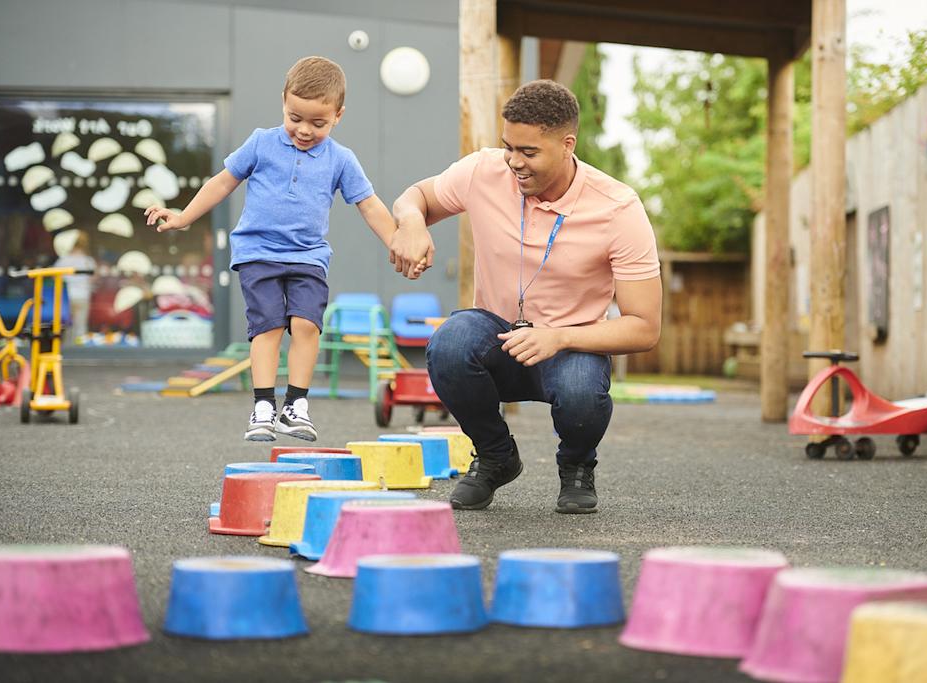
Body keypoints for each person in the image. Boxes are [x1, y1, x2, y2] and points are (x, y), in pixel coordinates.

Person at [390, 80, 661, 514]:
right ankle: (495, 455)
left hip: (571, 346)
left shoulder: (618, 208)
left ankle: (576, 465)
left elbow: (644, 327)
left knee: (581, 391)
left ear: (567, 145)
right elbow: (416, 197)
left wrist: (559, 336)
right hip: (497, 337)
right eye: (508, 148)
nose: (515, 162)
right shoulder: (483, 171)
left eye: (529, 152)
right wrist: (411, 223)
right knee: (450, 343)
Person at [146, 56, 398, 443]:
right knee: (269, 326)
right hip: (258, 252)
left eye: (318, 123)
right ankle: (263, 405)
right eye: (295, 118)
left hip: (308, 256)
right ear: (283, 101)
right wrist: (184, 217)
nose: (304, 130)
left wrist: (397, 241)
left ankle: (295, 407)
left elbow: (369, 204)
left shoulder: (341, 159)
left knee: (307, 325)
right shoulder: (262, 143)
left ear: (338, 115)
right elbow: (222, 182)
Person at [53, 230, 96, 343]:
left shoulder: (63, 260)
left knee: (66, 324)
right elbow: (93, 278)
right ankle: (80, 348)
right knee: (80, 325)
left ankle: (67, 346)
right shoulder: (87, 260)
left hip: (66, 296)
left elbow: (54, 276)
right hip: (83, 295)